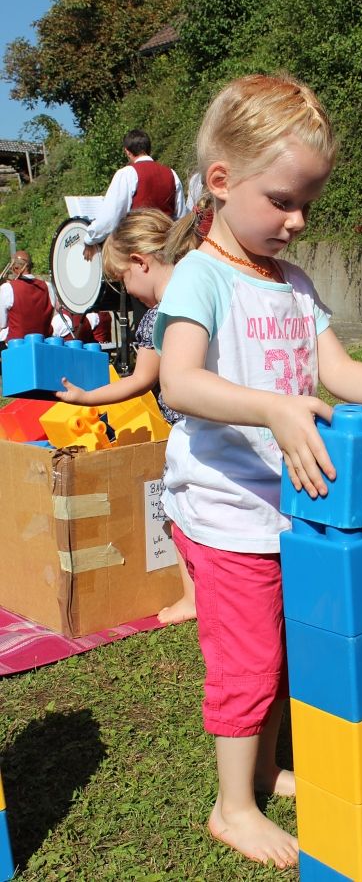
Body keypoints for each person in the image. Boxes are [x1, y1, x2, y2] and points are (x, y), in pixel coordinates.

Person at [153, 73, 362, 870]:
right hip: (223, 511)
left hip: (286, 510)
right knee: (247, 661)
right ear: (220, 181)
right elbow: (179, 383)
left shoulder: (295, 285)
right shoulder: (201, 277)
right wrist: (274, 409)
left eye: (308, 202)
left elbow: (333, 367)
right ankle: (232, 807)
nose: (298, 220)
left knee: (279, 650)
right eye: (282, 200)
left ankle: (263, 768)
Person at [56, 208, 198, 625]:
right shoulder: (204, 291)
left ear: (141, 262)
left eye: (123, 280)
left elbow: (139, 381)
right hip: (225, 423)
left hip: (188, 431)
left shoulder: (158, 317)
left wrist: (86, 398)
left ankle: (192, 597)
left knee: (177, 511)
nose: (128, 291)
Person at [83, 129, 186, 261]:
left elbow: (110, 218)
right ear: (149, 149)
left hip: (137, 250)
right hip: (165, 250)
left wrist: (90, 239)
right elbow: (181, 217)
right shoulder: (172, 174)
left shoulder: (127, 174)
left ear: (127, 151)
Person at [0, 250, 56, 347]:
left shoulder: (7, 288)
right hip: (43, 345)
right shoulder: (48, 286)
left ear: (15, 267)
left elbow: (2, 324)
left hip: (16, 346)